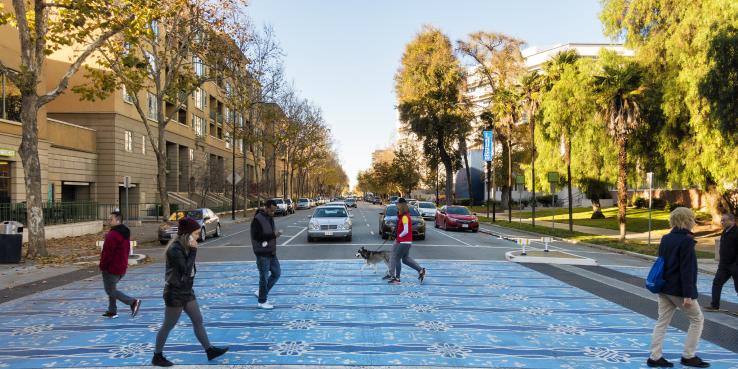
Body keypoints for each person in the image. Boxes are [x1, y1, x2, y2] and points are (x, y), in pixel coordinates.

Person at [151, 217, 228, 367]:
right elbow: (185, 271)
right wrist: (193, 252)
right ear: (188, 234)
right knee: (168, 325)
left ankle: (209, 350)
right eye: (197, 234)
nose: (199, 237)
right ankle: (157, 356)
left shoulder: (185, 246)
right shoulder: (175, 249)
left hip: (186, 290)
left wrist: (192, 250)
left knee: (198, 320)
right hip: (175, 292)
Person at [647, 207, 709, 368]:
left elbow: (662, 262)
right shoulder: (686, 241)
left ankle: (655, 357)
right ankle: (688, 356)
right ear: (688, 220)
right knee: (697, 320)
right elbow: (687, 269)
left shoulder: (666, 238)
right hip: (679, 290)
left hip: (664, 287)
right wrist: (688, 295)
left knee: (662, 321)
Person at [99, 209, 140, 319]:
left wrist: (102, 265)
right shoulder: (124, 232)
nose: (109, 221)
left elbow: (108, 253)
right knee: (112, 288)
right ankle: (112, 311)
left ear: (117, 220)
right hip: (121, 266)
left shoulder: (113, 235)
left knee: (110, 290)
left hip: (112, 267)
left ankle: (132, 302)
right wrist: (108, 235)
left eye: (111, 219)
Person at [251, 199, 283, 310]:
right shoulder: (257, 219)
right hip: (262, 253)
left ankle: (261, 292)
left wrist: (273, 236)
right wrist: (273, 235)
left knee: (277, 273)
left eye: (275, 210)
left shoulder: (269, 217)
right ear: (267, 207)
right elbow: (256, 237)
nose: (273, 213)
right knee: (263, 277)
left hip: (271, 252)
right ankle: (262, 301)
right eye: (272, 210)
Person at [704, 212, 738, 313]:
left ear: (732, 221)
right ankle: (714, 305)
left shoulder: (737, 232)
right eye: (721, 220)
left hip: (735, 265)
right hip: (724, 265)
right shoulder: (725, 232)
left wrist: (736, 264)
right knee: (717, 282)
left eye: (724, 220)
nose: (721, 222)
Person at [388, 198, 426, 285]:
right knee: (405, 259)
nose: (396, 206)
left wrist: (399, 237)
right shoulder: (404, 216)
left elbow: (406, 230)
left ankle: (397, 278)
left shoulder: (405, 217)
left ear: (401, 206)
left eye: (397, 205)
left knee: (397, 258)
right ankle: (420, 270)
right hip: (407, 242)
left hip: (403, 242)